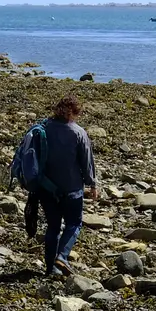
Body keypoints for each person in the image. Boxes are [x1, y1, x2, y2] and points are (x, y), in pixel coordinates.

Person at [32, 96, 98, 276]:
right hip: (72, 189)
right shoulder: (78, 132)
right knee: (74, 224)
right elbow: (87, 161)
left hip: (46, 187)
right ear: (74, 113)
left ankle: (50, 268)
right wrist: (92, 184)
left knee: (53, 226)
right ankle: (62, 256)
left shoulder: (44, 127)